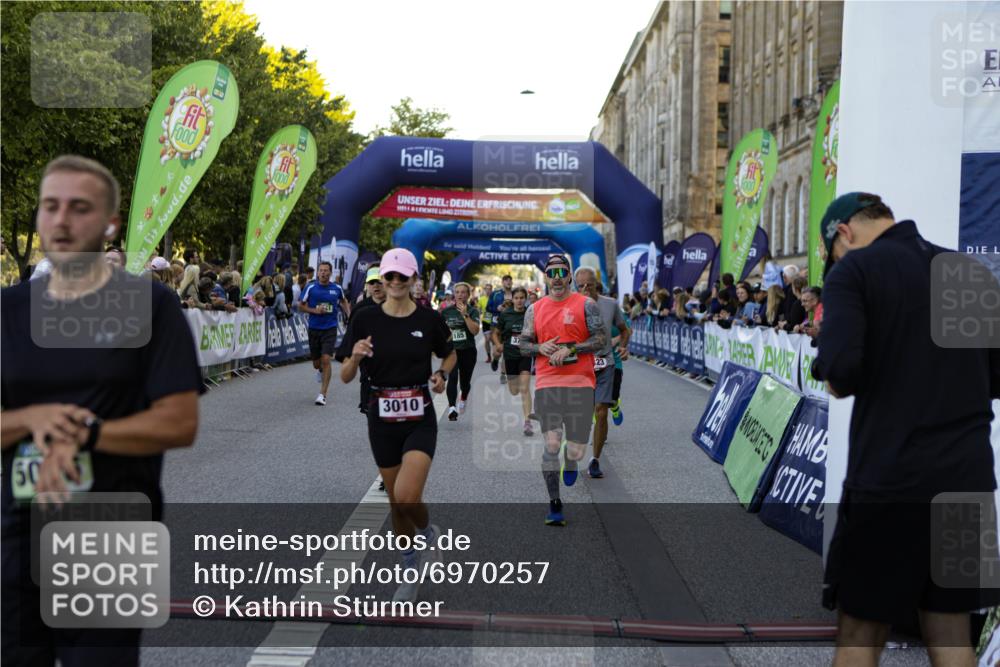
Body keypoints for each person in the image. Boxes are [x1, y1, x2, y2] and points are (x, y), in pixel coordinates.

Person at [1, 155, 202, 666]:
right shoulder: (7, 311)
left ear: (110, 224)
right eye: (51, 207)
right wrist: (31, 420)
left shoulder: (152, 307)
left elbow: (179, 422)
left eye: (79, 208)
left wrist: (88, 433)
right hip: (13, 531)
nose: (62, 221)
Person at [812, 192, 1000, 667]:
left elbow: (840, 371)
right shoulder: (967, 272)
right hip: (967, 479)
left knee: (861, 630)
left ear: (844, 234)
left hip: (893, 479)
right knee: (952, 627)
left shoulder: (856, 271)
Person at [340, 248, 455, 603]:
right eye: (388, 277)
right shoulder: (364, 319)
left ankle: (426, 532)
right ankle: (409, 563)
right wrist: (356, 356)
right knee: (396, 502)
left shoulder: (428, 319)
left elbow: (449, 354)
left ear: (413, 280)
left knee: (407, 496)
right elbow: (345, 376)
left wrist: (441, 375)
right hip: (381, 415)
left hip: (419, 414)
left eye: (401, 277)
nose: (393, 283)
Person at [518, 255, 607, 526]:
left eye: (562, 272)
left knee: (577, 450)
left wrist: (572, 349)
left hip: (581, 382)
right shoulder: (534, 309)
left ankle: (572, 459)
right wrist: (539, 348)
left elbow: (602, 339)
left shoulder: (587, 304)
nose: (557, 277)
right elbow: (523, 343)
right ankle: (554, 503)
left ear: (569, 277)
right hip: (548, 383)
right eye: (551, 272)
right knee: (551, 443)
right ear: (545, 277)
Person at [574, 267, 629, 479]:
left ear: (597, 283)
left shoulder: (610, 304)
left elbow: (624, 330)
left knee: (601, 411)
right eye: (581, 285)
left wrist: (623, 346)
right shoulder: (570, 306)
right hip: (579, 365)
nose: (585, 288)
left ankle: (595, 460)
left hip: (605, 363)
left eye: (589, 284)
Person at [299, 261, 350, 406]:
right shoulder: (311, 287)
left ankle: (323, 394)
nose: (323, 273)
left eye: (326, 270)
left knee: (326, 359)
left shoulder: (337, 288)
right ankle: (320, 369)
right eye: (320, 270)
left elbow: (344, 301)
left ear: (330, 272)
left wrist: (350, 315)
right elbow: (301, 306)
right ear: (317, 272)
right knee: (317, 363)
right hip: (314, 329)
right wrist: (315, 310)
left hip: (330, 328)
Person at [491, 286, 534, 435]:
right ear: (513, 299)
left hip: (525, 354)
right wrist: (498, 345)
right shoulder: (505, 314)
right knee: (514, 390)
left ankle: (527, 422)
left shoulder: (531, 313)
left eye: (522, 298)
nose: (519, 301)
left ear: (525, 299)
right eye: (516, 298)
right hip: (509, 355)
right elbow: (495, 333)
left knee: (524, 388)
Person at [440, 282, 480, 421]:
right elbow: (440, 332)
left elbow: (474, 331)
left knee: (464, 382)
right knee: (452, 378)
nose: (460, 295)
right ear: (454, 294)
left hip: (468, 350)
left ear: (468, 295)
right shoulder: (446, 312)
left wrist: (465, 315)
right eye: (457, 292)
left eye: (463, 292)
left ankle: (463, 397)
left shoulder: (473, 311)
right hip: (452, 351)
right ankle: (452, 408)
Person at [485, 275, 512, 371]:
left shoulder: (515, 294)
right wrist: (496, 308)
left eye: (510, 280)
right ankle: (495, 359)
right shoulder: (495, 294)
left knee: (507, 351)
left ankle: (503, 374)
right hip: (496, 325)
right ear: (502, 282)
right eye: (506, 280)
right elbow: (488, 307)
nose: (508, 282)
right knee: (497, 352)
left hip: (509, 325)